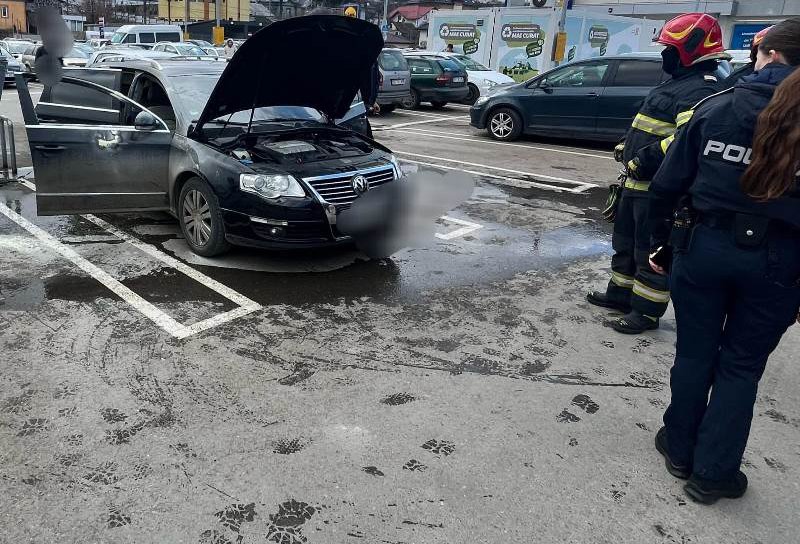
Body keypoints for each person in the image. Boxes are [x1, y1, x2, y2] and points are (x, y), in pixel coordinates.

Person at [648, 17, 800, 505]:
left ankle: (680, 447)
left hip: (704, 249)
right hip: (781, 262)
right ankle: (714, 473)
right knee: (741, 367)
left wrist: (662, 245)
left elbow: (667, 186)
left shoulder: (717, 108)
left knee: (695, 353)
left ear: (771, 55)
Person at [587, 13, 727, 334]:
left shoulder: (700, 90)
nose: (665, 54)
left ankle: (645, 313)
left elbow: (683, 140)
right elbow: (648, 123)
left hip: (658, 188)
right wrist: (626, 146)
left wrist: (644, 159)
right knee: (624, 242)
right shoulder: (677, 83)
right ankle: (620, 294)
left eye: (670, 48)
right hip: (635, 184)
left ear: (691, 50)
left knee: (650, 251)